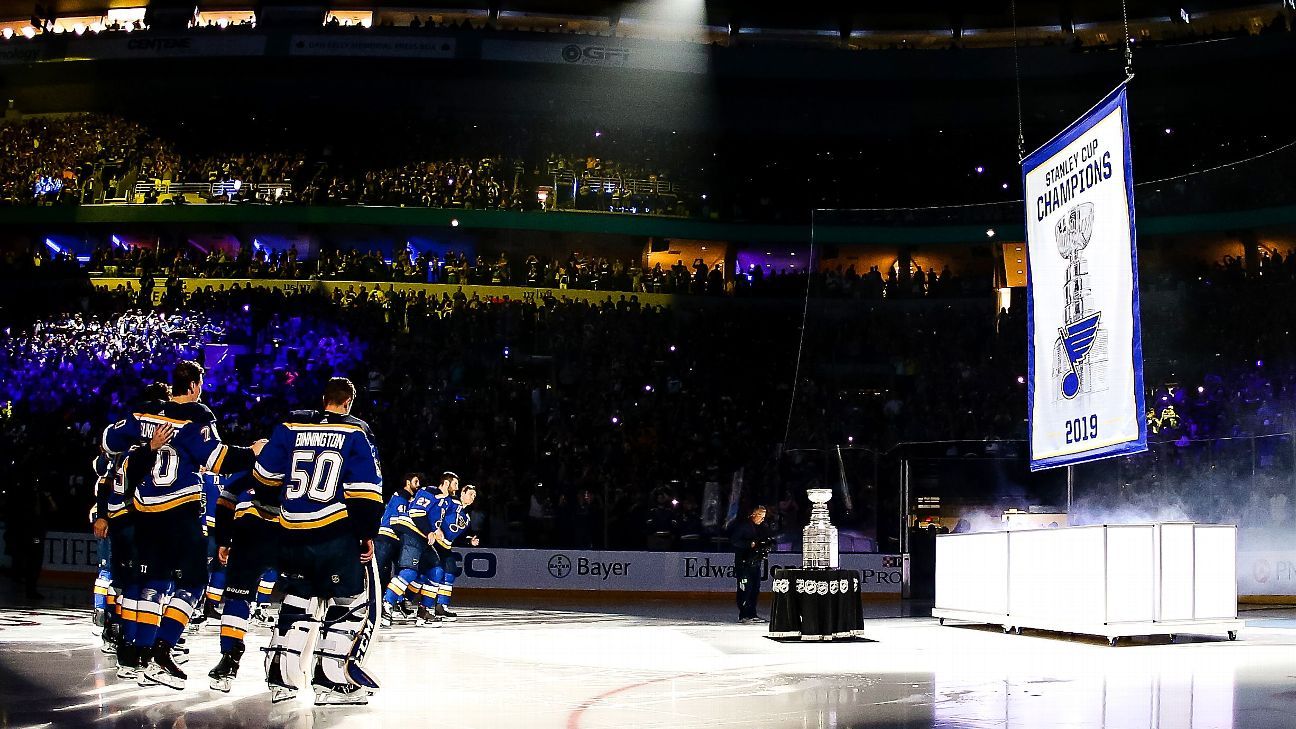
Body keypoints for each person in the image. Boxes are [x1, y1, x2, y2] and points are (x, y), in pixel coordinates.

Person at [101, 361, 264, 689]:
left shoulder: (145, 413)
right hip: (180, 513)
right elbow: (218, 459)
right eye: (200, 383)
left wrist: (146, 446)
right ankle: (162, 650)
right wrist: (251, 452)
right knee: (194, 582)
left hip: (144, 513)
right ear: (192, 386)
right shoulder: (198, 416)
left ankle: (138, 658)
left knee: (152, 585)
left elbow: (108, 441)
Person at [255, 377, 384, 705]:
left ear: (323, 398)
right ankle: (331, 680)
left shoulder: (291, 424)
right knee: (347, 602)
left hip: (292, 529)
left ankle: (280, 676)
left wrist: (279, 508)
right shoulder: (356, 431)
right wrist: (366, 534)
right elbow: (366, 491)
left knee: (297, 597)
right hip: (334, 533)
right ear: (348, 402)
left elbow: (264, 476)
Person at [382, 471, 456, 626]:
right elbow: (416, 512)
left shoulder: (445, 500)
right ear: (446, 483)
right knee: (410, 571)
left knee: (436, 570)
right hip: (412, 533)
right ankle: (386, 606)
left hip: (423, 538)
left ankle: (424, 612)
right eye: (454, 484)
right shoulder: (431, 491)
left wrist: (435, 530)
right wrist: (429, 531)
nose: (456, 488)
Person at [419, 483, 481, 623]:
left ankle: (441, 606)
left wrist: (469, 541)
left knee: (450, 571)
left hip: (446, 547)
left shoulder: (467, 518)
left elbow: (457, 537)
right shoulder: (450, 502)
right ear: (462, 493)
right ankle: (405, 601)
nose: (472, 497)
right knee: (428, 573)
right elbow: (435, 512)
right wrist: (435, 528)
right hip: (434, 542)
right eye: (470, 494)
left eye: (474, 496)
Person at [730, 505, 772, 624]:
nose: (762, 519)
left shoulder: (762, 527)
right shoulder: (743, 526)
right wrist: (750, 544)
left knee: (754, 589)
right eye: (760, 516)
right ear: (754, 514)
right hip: (743, 564)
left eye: (764, 517)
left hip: (755, 563)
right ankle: (744, 614)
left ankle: (752, 614)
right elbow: (734, 541)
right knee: (745, 589)